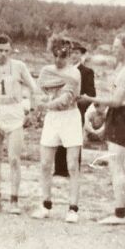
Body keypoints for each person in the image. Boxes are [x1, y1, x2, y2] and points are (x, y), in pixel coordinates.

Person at [80, 33, 125, 225]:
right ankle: (123, 205)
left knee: (116, 165)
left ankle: (119, 213)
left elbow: (116, 101)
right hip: (118, 115)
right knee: (119, 164)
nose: (113, 50)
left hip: (123, 115)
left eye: (117, 47)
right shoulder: (122, 67)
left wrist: (91, 99)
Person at [0, 34, 41, 214]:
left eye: (7, 50)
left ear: (11, 50)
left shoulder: (19, 66)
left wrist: (30, 109)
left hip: (13, 112)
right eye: (0, 50)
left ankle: (14, 200)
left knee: (14, 159)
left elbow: (33, 88)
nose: (3, 54)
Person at [32, 36, 83, 222]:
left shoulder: (75, 73)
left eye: (62, 55)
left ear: (69, 55)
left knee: (72, 165)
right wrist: (52, 96)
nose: (58, 59)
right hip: (52, 119)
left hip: (70, 117)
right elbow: (41, 87)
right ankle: (45, 204)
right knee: (45, 163)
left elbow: (67, 98)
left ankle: (73, 208)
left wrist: (46, 105)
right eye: (55, 55)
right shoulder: (46, 70)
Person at [53, 41, 95, 178]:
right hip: (61, 108)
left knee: (74, 140)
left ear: (82, 55)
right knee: (59, 137)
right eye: (72, 53)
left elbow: (91, 93)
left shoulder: (87, 72)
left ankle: (74, 170)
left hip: (76, 109)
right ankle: (59, 169)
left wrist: (79, 105)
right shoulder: (62, 69)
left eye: (77, 53)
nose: (74, 56)